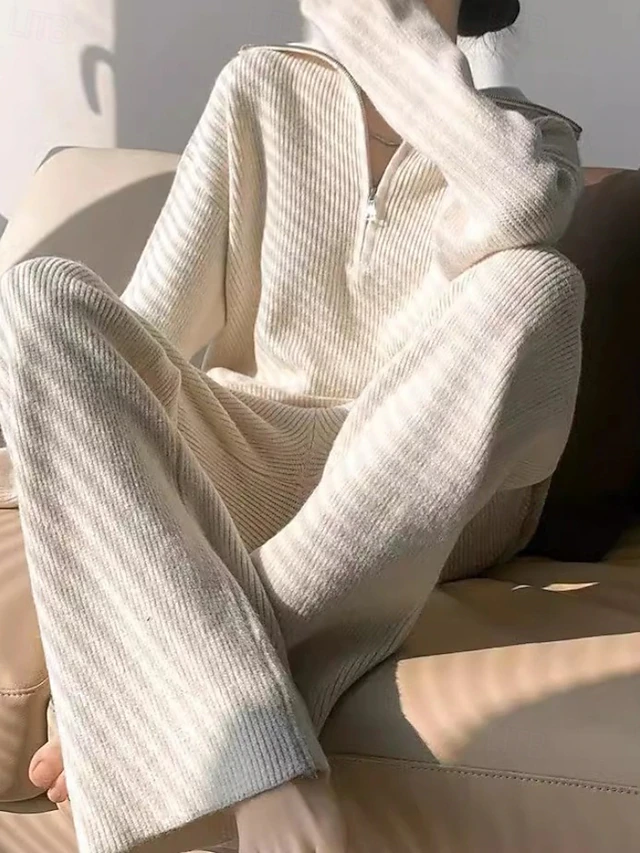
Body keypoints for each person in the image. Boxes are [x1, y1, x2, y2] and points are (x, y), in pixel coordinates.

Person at [0, 0, 584, 850]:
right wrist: (68, 435)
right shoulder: (261, 86)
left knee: (540, 284)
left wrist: (372, 26)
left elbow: (520, 201)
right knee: (39, 294)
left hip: (440, 482)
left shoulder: (534, 143)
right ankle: (263, 760)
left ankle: (228, 727)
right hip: (259, 459)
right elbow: (145, 343)